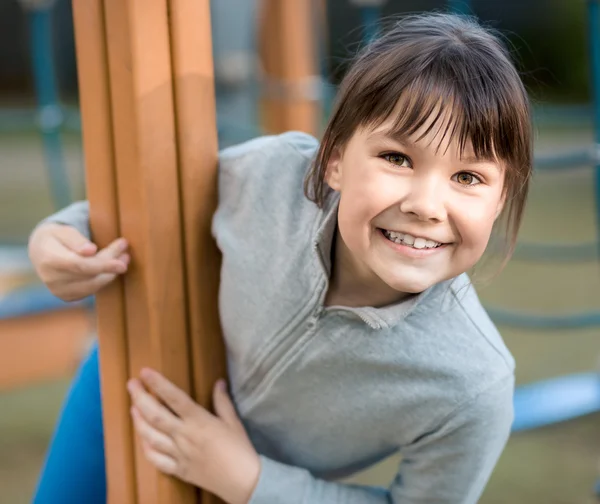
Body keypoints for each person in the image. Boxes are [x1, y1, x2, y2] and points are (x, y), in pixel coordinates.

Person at [29, 12, 532, 504]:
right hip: (131, 389)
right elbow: (157, 206)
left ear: (501, 198)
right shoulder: (273, 176)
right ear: (333, 159)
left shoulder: (472, 385)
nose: (425, 205)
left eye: (467, 178)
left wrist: (250, 481)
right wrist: (60, 236)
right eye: (396, 158)